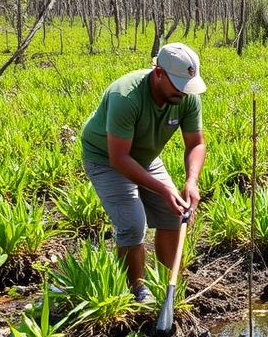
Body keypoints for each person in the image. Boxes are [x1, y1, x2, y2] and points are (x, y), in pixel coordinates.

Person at [81, 43, 207, 304]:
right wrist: (163, 190)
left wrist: (190, 182)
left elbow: (196, 143)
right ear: (159, 72)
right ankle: (136, 291)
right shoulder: (126, 96)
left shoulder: (187, 96)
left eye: (188, 85)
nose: (184, 93)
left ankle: (169, 284)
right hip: (106, 158)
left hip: (145, 156)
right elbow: (119, 159)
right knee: (132, 224)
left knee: (174, 215)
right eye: (178, 85)